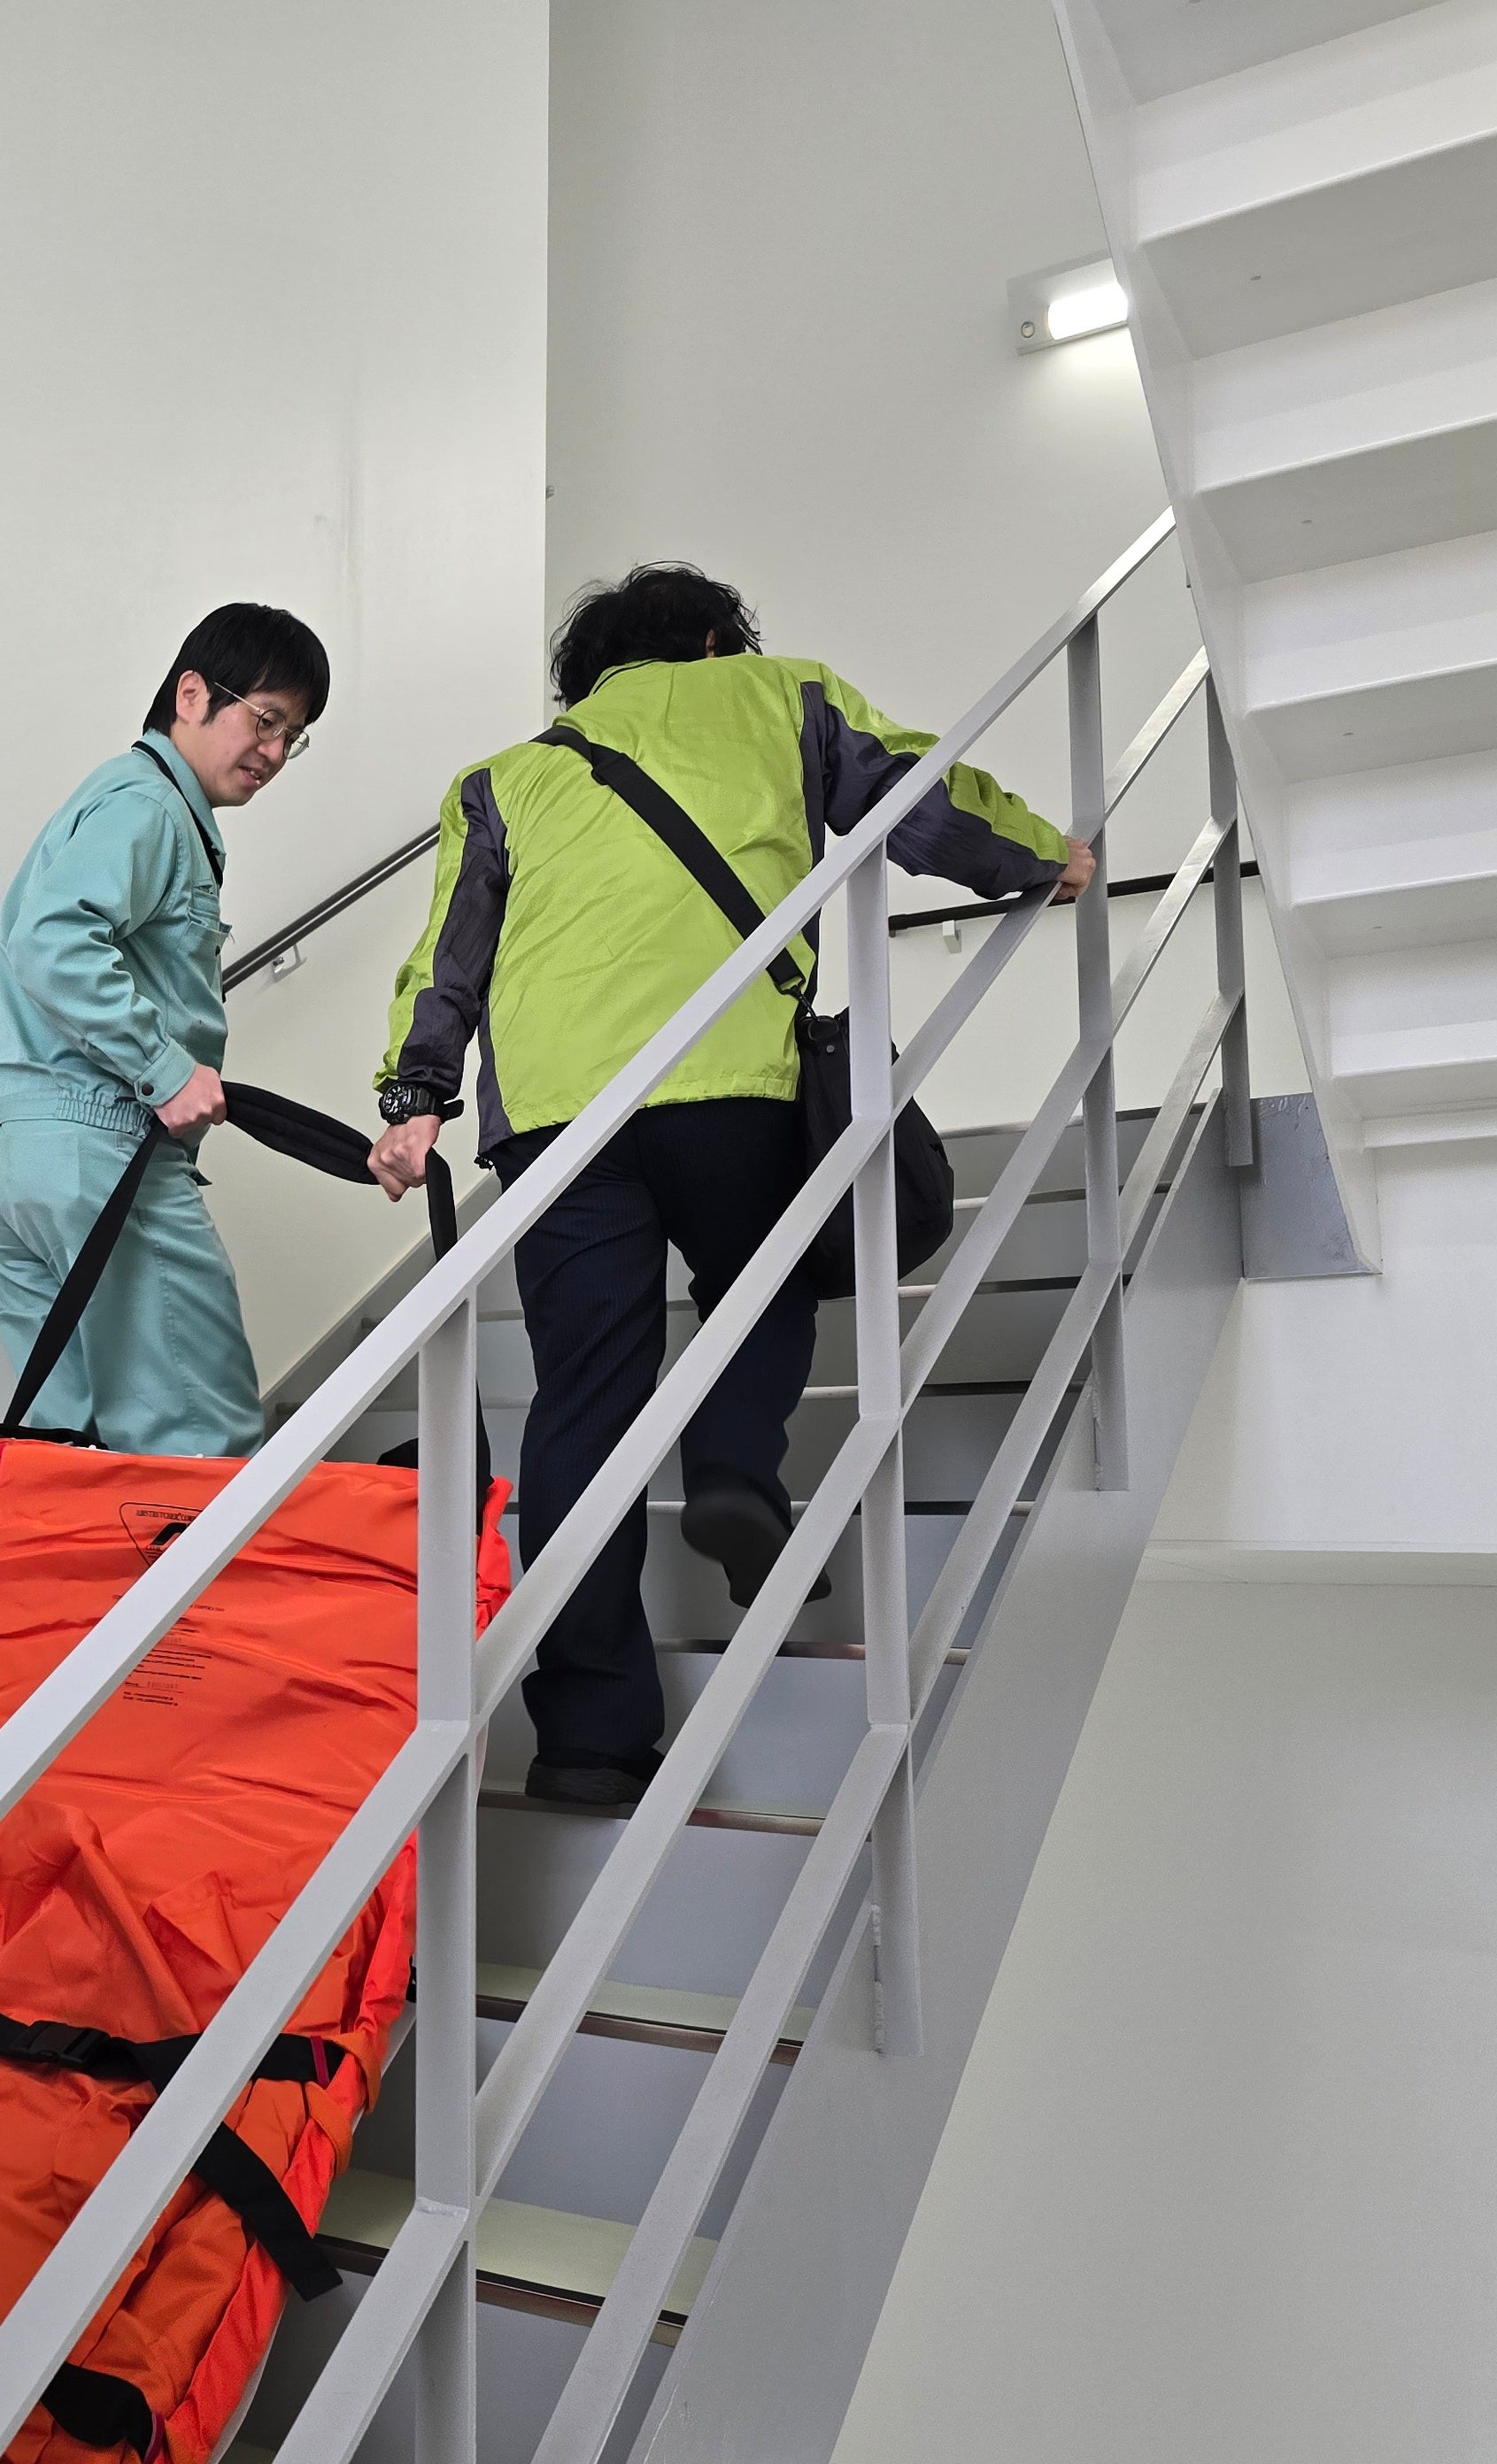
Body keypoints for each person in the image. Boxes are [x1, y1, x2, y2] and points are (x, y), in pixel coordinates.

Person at [365, 565, 1091, 1809]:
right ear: (713, 641)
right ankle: (735, 1468)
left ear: (588, 678)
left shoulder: (505, 778)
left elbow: (447, 957)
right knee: (766, 1279)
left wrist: (414, 1097)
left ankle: (588, 1739)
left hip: (556, 1119)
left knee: (582, 1406)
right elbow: (917, 796)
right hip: (728, 1075)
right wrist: (1043, 858)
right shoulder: (781, 693)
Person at [0, 602, 329, 1459]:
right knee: (197, 1446)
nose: (275, 752)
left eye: (293, 735)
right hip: (102, 1151)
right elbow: (52, 940)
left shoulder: (116, 799)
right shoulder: (150, 806)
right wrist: (164, 1068)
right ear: (192, 694)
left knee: (70, 1461)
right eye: (266, 719)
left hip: (15, 1157)